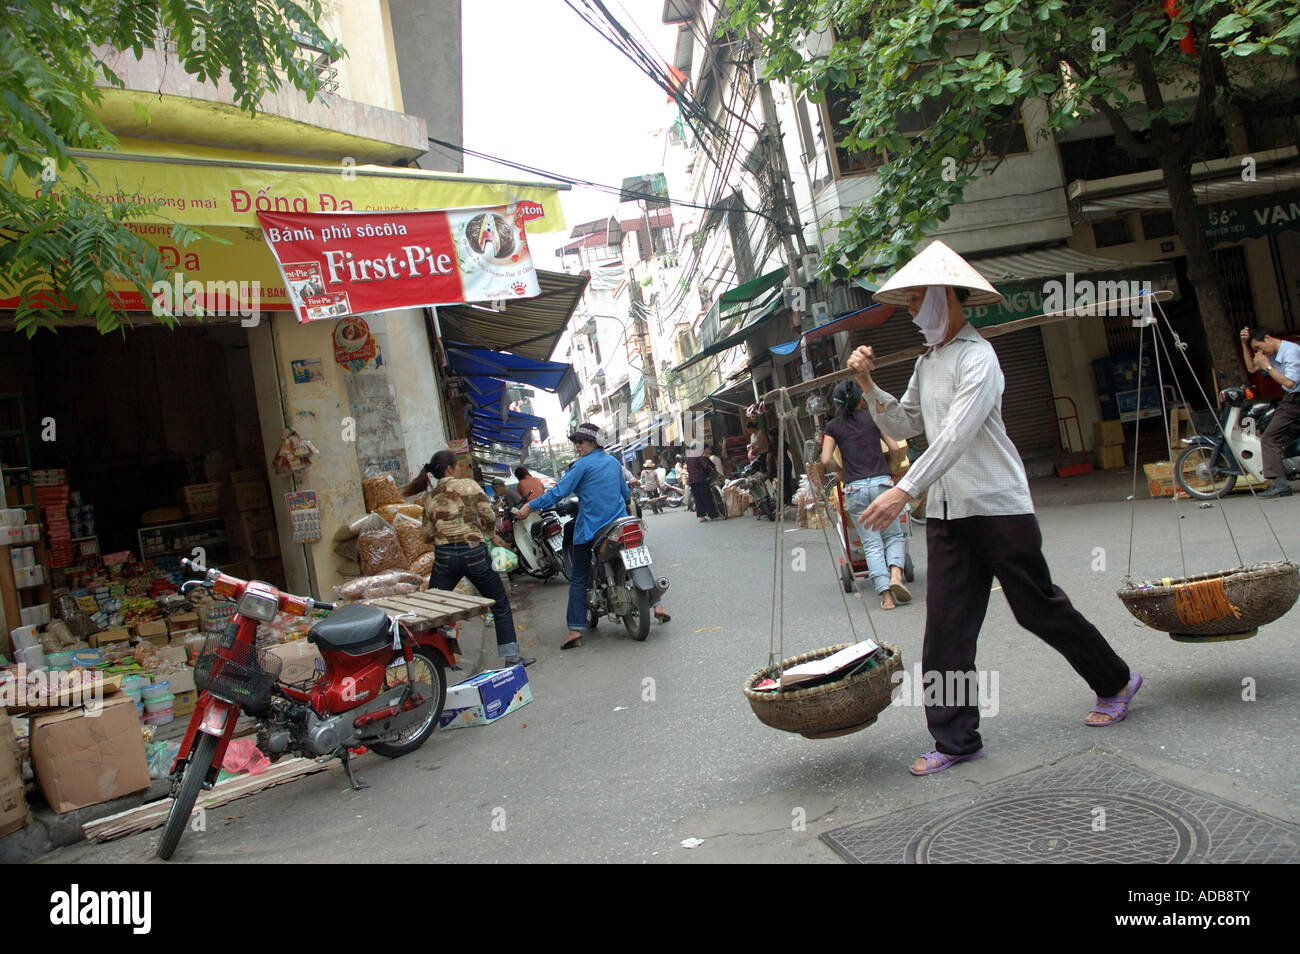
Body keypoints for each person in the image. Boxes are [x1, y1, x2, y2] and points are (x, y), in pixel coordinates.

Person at [849, 240, 1141, 776]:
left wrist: (903, 490)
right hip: (946, 514)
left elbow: (956, 435)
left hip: (998, 506)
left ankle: (1116, 680)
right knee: (945, 630)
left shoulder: (979, 358)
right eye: (909, 302)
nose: (912, 312)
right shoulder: (927, 362)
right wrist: (868, 384)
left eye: (917, 301)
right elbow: (902, 425)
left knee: (1038, 608)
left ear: (945, 298)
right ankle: (956, 741)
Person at [517, 422, 670, 649]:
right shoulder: (612, 462)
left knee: (578, 577)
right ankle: (657, 605)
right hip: (621, 522)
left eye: (581, 442)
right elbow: (624, 493)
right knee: (635, 555)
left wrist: (530, 507)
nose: (577, 446)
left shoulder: (581, 466)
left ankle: (574, 629)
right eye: (576, 442)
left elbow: (558, 493)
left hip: (592, 528)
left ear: (593, 442)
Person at [414, 450, 534, 668]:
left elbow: (427, 534)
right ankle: (512, 657)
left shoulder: (430, 496)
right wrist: (488, 534)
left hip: (444, 557)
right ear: (450, 468)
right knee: (499, 604)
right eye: (458, 466)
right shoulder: (469, 486)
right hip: (473, 552)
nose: (460, 470)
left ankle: (436, 661)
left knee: (435, 609)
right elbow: (488, 516)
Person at [821, 379, 910, 611]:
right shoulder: (873, 416)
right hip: (882, 484)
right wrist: (889, 469)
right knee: (892, 536)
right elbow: (895, 447)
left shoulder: (833, 426)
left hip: (855, 489)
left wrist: (841, 474)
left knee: (871, 544)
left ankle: (887, 597)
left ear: (837, 403)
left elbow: (826, 459)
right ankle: (896, 575)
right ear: (861, 399)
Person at [1240, 327, 1300, 498]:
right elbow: (1251, 368)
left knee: (1269, 438)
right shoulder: (1273, 353)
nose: (1260, 352)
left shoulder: (1290, 352)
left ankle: (1280, 484)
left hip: (1295, 396)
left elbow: (1289, 383)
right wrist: (1244, 344)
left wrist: (1267, 366)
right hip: (1292, 397)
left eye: (1259, 347)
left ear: (1268, 338)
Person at [685, 441, 718, 522]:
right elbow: (705, 466)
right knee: (706, 497)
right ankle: (711, 515)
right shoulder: (699, 456)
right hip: (700, 479)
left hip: (692, 481)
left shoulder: (688, 457)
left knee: (698, 498)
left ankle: (702, 516)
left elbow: (688, 469)